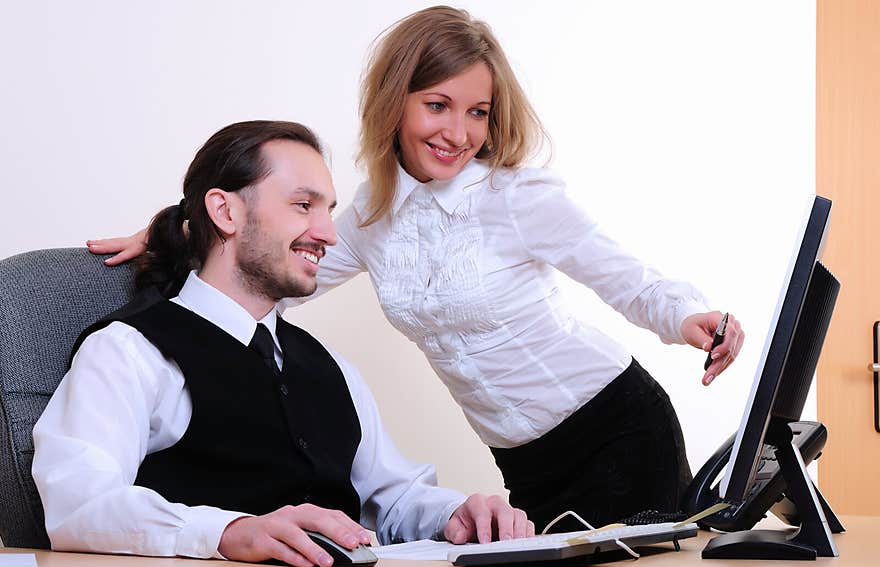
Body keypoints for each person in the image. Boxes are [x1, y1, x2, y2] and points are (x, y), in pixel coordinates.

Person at [87, 6, 744, 532]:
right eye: (437, 104)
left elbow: (626, 277)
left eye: (478, 112)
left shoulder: (518, 197)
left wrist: (690, 316)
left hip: (618, 429)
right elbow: (271, 270)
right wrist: (183, 228)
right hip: (524, 463)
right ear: (395, 102)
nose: (458, 132)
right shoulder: (370, 214)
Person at [32, 120, 533, 567]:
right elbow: (78, 503)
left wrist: (456, 514)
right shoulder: (130, 352)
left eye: (328, 210)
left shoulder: (330, 365)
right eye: (303, 206)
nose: (327, 234)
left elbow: (393, 497)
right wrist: (228, 531)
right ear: (224, 211)